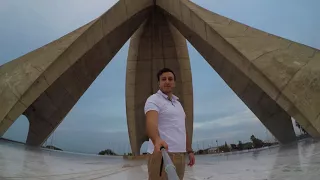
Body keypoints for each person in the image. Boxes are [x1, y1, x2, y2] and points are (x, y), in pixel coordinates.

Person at [144, 68, 195, 180]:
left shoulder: (178, 104)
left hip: (180, 155)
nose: (167, 81)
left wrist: (189, 150)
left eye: (170, 79)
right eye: (163, 79)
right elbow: (151, 122)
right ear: (159, 83)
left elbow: (182, 128)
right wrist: (157, 140)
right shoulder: (153, 100)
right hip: (162, 154)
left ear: (174, 83)